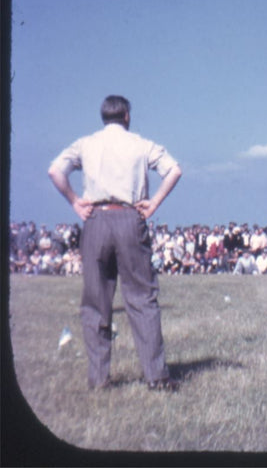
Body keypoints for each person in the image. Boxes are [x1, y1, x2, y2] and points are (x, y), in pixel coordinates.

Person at [48, 95, 182, 392]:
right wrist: (154, 203)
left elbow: (55, 171)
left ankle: (99, 379)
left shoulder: (85, 144)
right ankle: (156, 377)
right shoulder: (141, 144)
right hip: (130, 218)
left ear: (103, 117)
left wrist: (74, 201)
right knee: (142, 298)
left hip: (95, 219)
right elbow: (174, 170)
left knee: (96, 302)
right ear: (127, 116)